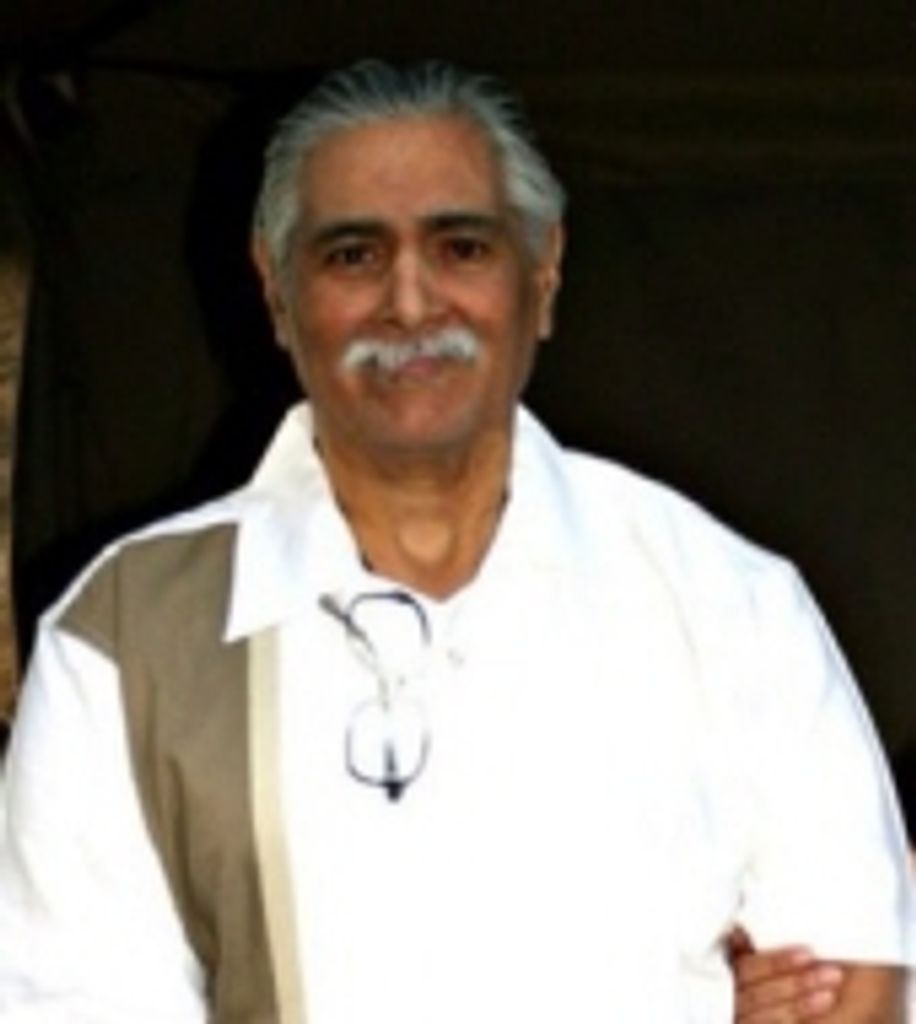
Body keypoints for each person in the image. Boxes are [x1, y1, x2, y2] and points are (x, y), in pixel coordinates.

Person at [0, 59, 912, 1022]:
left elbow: (853, 982)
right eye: (353, 254)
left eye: (462, 247)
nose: (410, 302)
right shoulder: (126, 638)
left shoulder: (729, 602)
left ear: (543, 272)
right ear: (275, 290)